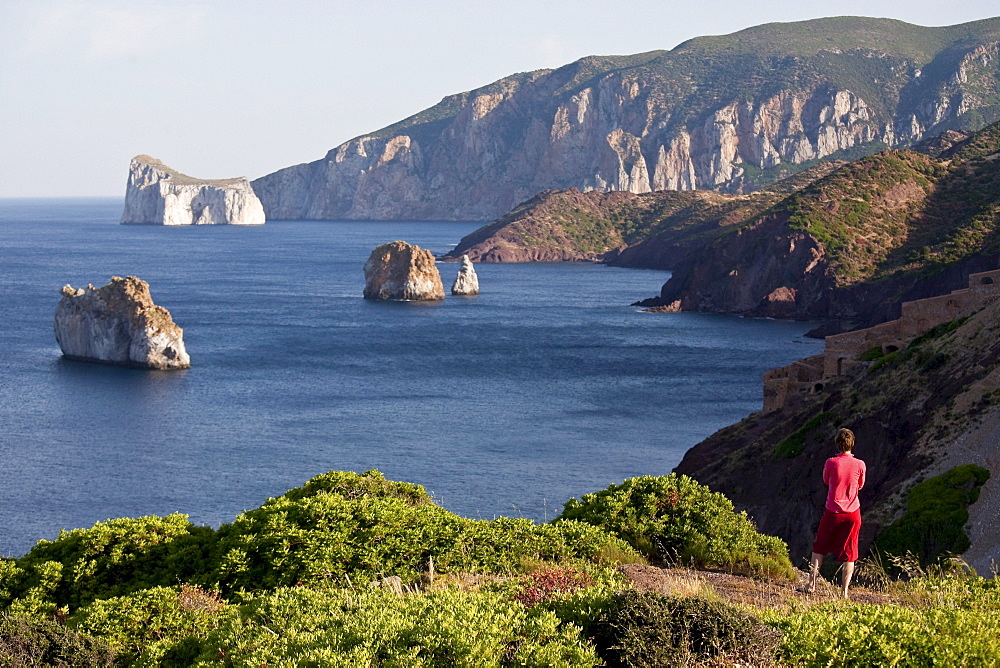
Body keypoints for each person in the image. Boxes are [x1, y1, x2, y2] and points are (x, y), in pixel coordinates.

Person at [805, 427, 866, 598]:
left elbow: (826, 480)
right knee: (850, 553)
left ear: (837, 443)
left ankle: (811, 584)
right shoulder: (860, 464)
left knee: (819, 547)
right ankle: (844, 592)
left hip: (833, 510)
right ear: (852, 443)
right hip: (853, 512)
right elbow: (860, 485)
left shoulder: (831, 462)